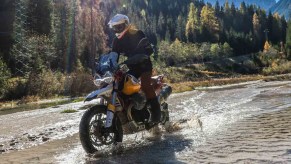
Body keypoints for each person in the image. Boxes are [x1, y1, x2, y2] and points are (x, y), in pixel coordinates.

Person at [108, 14, 161, 124]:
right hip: (130, 66)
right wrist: (109, 65)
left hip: (144, 64)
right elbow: (113, 56)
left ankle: (156, 114)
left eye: (119, 27)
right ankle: (129, 111)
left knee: (145, 85)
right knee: (121, 85)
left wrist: (141, 55)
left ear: (126, 25)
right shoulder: (116, 41)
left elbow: (148, 50)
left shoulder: (137, 33)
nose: (117, 30)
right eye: (114, 28)